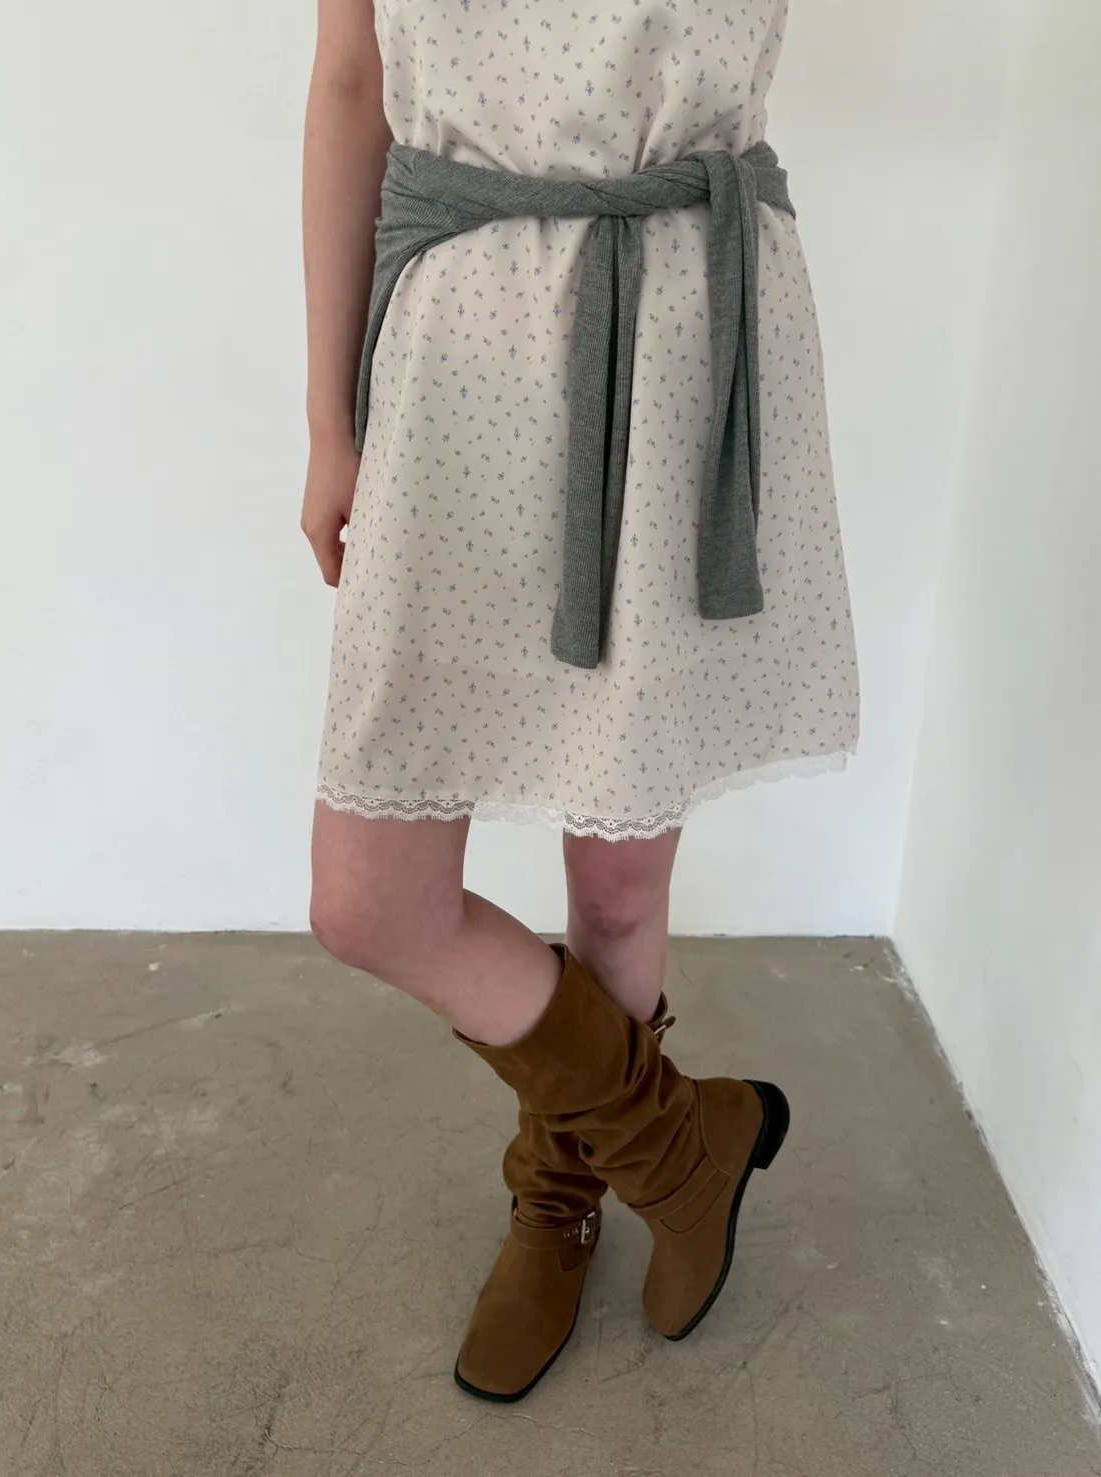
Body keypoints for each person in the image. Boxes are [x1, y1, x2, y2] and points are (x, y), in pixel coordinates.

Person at [301, 0, 858, 1403]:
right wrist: (327, 422)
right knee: (368, 903)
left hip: (683, 335)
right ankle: (679, 1144)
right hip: (458, 351)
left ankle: (563, 1194)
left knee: (618, 889)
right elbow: (352, 79)